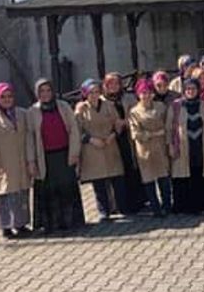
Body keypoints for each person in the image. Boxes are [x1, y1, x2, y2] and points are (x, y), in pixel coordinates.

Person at [29, 78, 86, 232]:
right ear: (37, 93)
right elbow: (30, 138)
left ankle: (70, 221)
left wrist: (74, 152)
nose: (45, 94)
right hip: (45, 157)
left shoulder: (64, 107)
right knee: (49, 191)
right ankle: (51, 223)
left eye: (48, 90)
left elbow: (74, 130)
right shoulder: (33, 111)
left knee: (67, 187)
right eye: (42, 91)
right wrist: (31, 161)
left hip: (64, 154)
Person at [0, 83, 33, 239]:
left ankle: (21, 224)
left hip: (20, 161)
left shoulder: (22, 114)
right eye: (3, 97)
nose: (7, 99)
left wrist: (30, 160)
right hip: (2, 163)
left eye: (10, 96)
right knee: (4, 193)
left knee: (20, 193)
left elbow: (29, 136)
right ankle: (5, 227)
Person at [75, 79, 127, 222]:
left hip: (109, 145)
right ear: (85, 94)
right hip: (93, 148)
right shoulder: (81, 109)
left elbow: (117, 123)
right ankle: (104, 211)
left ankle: (121, 207)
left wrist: (112, 136)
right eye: (91, 92)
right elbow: (77, 130)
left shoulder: (109, 105)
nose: (94, 95)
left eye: (97, 92)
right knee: (99, 183)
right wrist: (91, 140)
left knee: (117, 179)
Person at [167, 79, 204, 214]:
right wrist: (170, 145)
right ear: (183, 90)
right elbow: (169, 127)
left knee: (199, 175)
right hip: (182, 147)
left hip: (200, 146)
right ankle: (182, 207)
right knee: (182, 177)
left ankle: (199, 205)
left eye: (193, 88)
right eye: (187, 89)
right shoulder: (176, 106)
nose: (190, 91)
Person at [102, 72, 146, 213]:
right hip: (113, 139)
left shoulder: (129, 97)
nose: (113, 86)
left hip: (129, 137)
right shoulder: (102, 101)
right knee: (116, 173)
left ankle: (138, 202)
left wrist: (126, 122)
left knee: (132, 168)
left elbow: (138, 114)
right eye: (110, 84)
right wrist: (115, 125)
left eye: (116, 83)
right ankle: (118, 205)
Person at [128, 79, 172, 217]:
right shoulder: (134, 112)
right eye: (143, 93)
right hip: (145, 150)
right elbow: (135, 133)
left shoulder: (160, 107)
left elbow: (168, 124)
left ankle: (167, 205)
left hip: (160, 147)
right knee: (149, 180)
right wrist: (153, 133)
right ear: (138, 95)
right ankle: (155, 208)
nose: (146, 95)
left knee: (164, 178)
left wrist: (165, 136)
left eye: (148, 92)